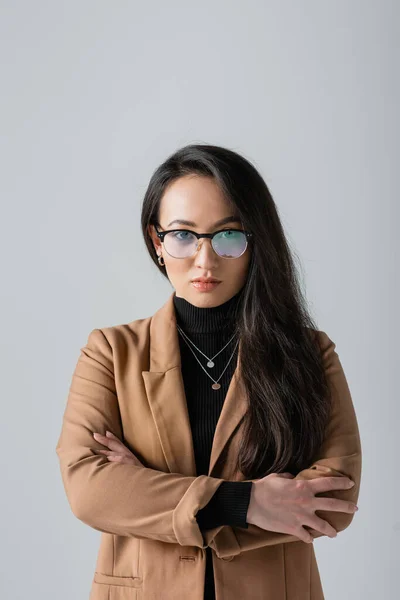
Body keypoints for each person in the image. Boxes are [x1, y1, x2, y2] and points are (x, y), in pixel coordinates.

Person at [55, 143, 362, 600]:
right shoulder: (111, 353)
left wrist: (149, 491)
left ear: (256, 241)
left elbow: (334, 500)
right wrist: (249, 503)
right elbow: (89, 488)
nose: (205, 260)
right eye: (183, 235)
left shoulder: (310, 354)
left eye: (228, 236)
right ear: (157, 242)